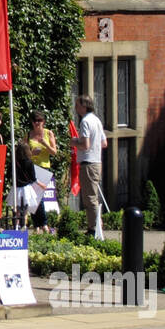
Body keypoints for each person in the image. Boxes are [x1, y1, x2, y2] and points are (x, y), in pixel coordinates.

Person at [74, 94, 108, 238]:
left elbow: (85, 145)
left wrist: (74, 142)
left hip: (88, 163)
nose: (76, 108)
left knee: (89, 198)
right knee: (92, 196)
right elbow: (104, 143)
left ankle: (94, 229)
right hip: (96, 162)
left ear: (84, 106)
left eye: (77, 105)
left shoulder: (85, 122)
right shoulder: (97, 120)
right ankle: (95, 225)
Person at [26, 111, 59, 231]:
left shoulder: (48, 133)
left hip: (44, 167)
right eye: (35, 121)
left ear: (43, 122)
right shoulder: (29, 134)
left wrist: (45, 143)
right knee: (33, 196)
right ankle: (38, 225)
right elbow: (23, 152)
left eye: (39, 121)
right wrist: (31, 153)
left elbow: (54, 152)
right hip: (32, 167)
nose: (37, 123)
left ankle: (43, 224)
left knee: (39, 195)